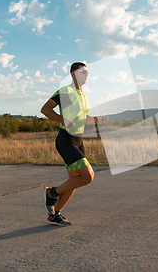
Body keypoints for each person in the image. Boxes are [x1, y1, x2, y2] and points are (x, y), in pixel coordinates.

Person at [40, 62, 95, 226]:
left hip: (78, 140)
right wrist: (62, 119)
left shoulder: (82, 95)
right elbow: (46, 109)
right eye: (83, 71)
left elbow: (81, 117)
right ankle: (52, 193)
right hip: (66, 139)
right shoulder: (66, 91)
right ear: (73, 74)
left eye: (87, 72)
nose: (86, 75)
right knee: (88, 176)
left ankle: (54, 215)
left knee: (75, 181)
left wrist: (98, 120)